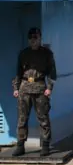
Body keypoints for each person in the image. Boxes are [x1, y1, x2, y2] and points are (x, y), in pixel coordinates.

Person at [11, 27, 57, 157]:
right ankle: (20, 145)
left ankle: (45, 145)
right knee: (22, 118)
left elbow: (52, 72)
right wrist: (16, 88)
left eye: (35, 38)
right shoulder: (23, 54)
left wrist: (49, 88)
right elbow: (18, 73)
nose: (33, 41)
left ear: (40, 38)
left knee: (43, 117)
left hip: (40, 87)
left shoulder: (47, 53)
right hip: (24, 87)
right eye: (31, 38)